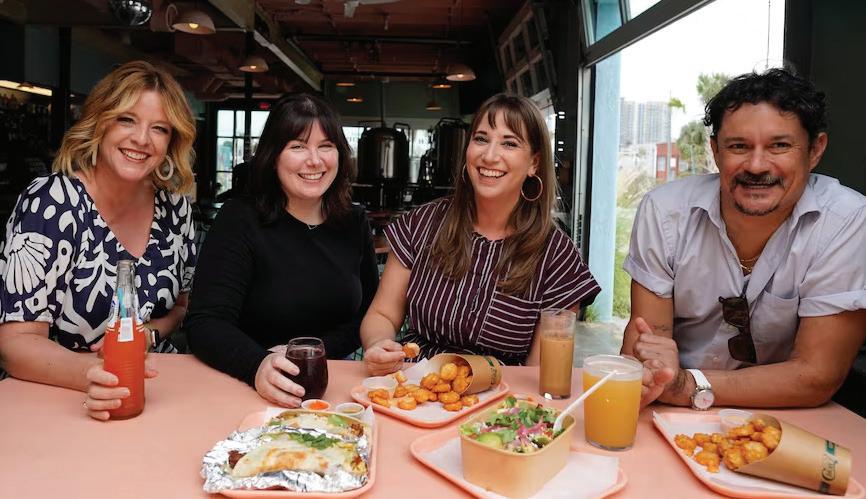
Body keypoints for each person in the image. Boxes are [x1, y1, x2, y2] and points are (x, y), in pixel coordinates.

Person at [622, 68, 866, 409]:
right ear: (715, 151)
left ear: (814, 150)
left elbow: (816, 375)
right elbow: (648, 348)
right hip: (672, 413)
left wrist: (687, 385)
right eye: (738, 146)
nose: (756, 165)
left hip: (789, 417)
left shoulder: (846, 220)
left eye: (779, 146)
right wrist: (654, 373)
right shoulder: (665, 212)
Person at [0, 60, 198, 420]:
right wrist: (95, 374)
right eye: (127, 120)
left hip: (158, 390)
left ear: (171, 142)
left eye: (159, 128)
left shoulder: (176, 209)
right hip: (62, 400)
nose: (142, 139)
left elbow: (181, 307)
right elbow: (16, 343)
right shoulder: (52, 203)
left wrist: (146, 336)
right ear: (100, 122)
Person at [361, 93, 600, 375]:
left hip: (503, 394)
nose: (489, 156)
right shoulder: (422, 223)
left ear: (534, 163)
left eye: (509, 143)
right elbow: (383, 314)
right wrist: (378, 344)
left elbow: (540, 371)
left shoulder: (557, 254)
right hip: (415, 385)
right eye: (481, 139)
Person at [185, 93, 378, 408]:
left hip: (332, 389)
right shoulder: (240, 218)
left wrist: (309, 353)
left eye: (326, 146)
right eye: (298, 146)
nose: (314, 160)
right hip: (245, 384)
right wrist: (257, 364)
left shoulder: (353, 221)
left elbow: (368, 313)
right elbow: (206, 322)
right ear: (273, 156)